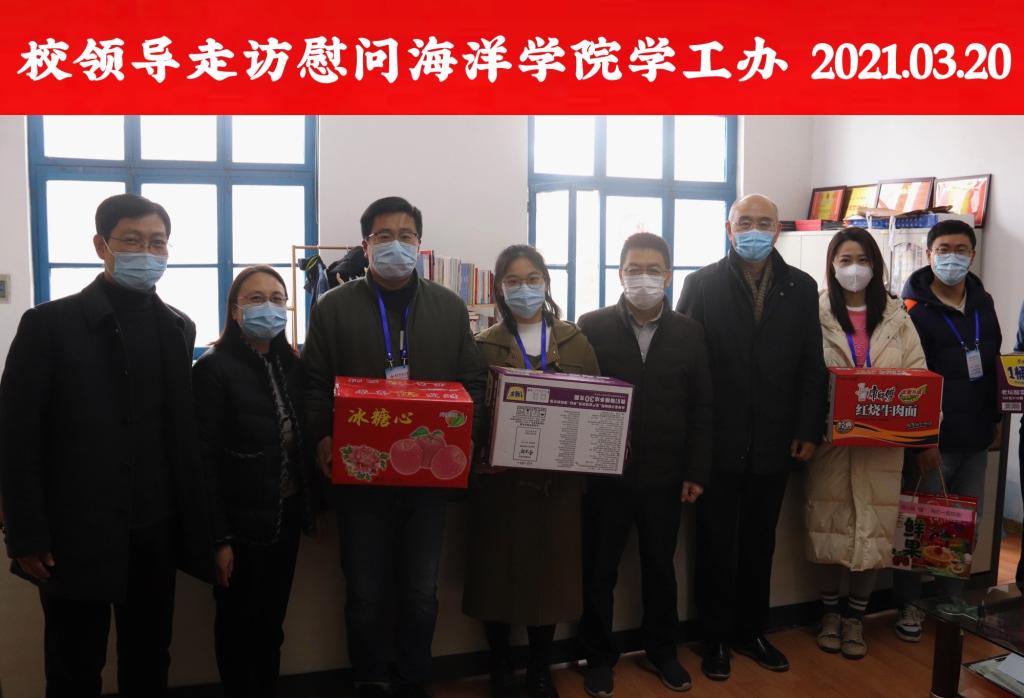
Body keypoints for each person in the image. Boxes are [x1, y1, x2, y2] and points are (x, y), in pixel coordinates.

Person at [0, 193, 213, 698]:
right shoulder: (48, 325)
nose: (147, 252)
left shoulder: (178, 327)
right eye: (132, 241)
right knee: (73, 666)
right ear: (102, 246)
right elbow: (15, 436)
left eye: (157, 243)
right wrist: (25, 533)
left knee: (149, 658)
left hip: (155, 530)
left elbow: (178, 433)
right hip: (75, 534)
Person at [302, 196, 487, 698]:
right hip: (360, 479)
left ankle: (412, 680)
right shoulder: (333, 307)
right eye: (384, 236)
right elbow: (314, 383)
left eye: (406, 236)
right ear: (365, 246)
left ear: (419, 245)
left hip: (428, 482)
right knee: (364, 593)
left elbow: (472, 381)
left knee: (421, 594)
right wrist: (321, 437)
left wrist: (466, 436)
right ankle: (368, 678)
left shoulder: (449, 307)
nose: (396, 245)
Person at [676, 193, 826, 681]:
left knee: (760, 543)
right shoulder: (702, 284)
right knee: (715, 544)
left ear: (778, 230)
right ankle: (714, 637)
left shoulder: (801, 287)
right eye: (745, 222)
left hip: (776, 441)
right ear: (729, 228)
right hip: (717, 440)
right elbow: (684, 363)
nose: (754, 231)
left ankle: (751, 630)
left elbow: (811, 364)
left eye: (764, 222)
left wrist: (807, 427)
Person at [576, 232, 713, 697]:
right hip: (605, 475)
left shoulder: (690, 332)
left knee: (660, 569)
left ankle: (662, 651)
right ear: (619, 274)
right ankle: (598, 657)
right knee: (599, 571)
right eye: (634, 269)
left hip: (665, 476)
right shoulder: (592, 326)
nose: (643, 278)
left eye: (653, 270)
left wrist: (696, 470)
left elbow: (701, 407)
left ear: (669, 276)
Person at [463, 244, 600, 698]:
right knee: (496, 576)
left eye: (533, 279)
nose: (524, 289)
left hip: (557, 487)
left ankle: (541, 668)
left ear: (546, 282)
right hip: (500, 486)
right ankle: (501, 666)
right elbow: (473, 415)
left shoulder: (575, 341)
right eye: (513, 281)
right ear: (500, 289)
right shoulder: (482, 345)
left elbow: (598, 405)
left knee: (552, 577)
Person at [192, 265, 318, 698]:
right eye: (256, 298)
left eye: (277, 299)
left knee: (271, 625)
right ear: (234, 309)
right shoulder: (213, 369)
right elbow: (203, 462)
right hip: (239, 527)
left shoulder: (292, 365)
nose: (269, 307)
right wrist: (218, 538)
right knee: (237, 627)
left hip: (283, 519)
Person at [804, 228, 926, 660]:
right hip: (830, 444)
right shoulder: (814, 312)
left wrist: (922, 428)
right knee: (829, 527)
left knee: (873, 532)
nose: (853, 268)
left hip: (882, 445)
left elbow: (919, 375)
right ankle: (830, 615)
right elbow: (802, 375)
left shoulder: (897, 316)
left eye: (862, 259)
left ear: (875, 265)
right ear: (832, 266)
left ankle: (856, 618)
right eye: (844, 260)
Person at [893, 219, 1002, 642]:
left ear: (972, 255)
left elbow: (992, 364)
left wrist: (995, 421)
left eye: (960, 249)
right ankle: (908, 605)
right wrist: (923, 440)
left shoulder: (983, 302)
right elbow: (910, 379)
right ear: (929, 254)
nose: (951, 257)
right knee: (920, 523)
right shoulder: (911, 308)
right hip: (932, 441)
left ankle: (949, 602)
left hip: (975, 436)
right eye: (943, 249)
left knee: (962, 526)